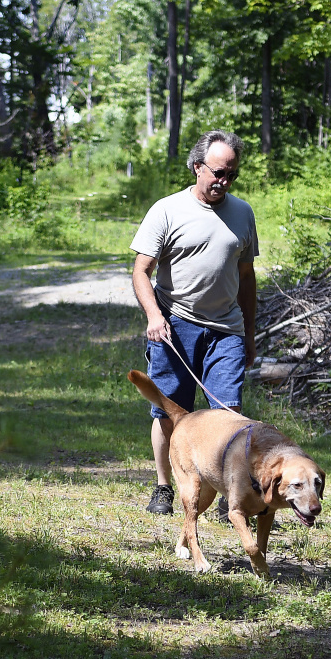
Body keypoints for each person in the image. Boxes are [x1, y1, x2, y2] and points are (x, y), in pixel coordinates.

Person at [130, 129, 260, 516]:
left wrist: (249, 333)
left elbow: (247, 276)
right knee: (170, 409)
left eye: (231, 175)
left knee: (229, 413)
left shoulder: (242, 213)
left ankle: (228, 495)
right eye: (218, 172)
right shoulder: (167, 209)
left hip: (227, 330)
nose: (223, 181)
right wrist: (155, 316)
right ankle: (164, 487)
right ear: (197, 166)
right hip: (175, 326)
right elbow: (141, 271)